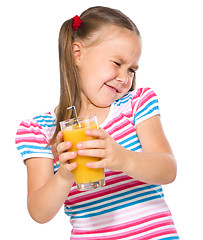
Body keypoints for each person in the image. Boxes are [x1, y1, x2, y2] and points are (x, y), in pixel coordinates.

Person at [15, 6, 179, 239]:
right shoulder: (41, 130)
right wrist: (64, 175)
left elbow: (168, 169)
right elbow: (39, 212)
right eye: (117, 63)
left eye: (131, 69)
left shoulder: (136, 104)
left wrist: (122, 158)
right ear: (77, 54)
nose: (125, 78)